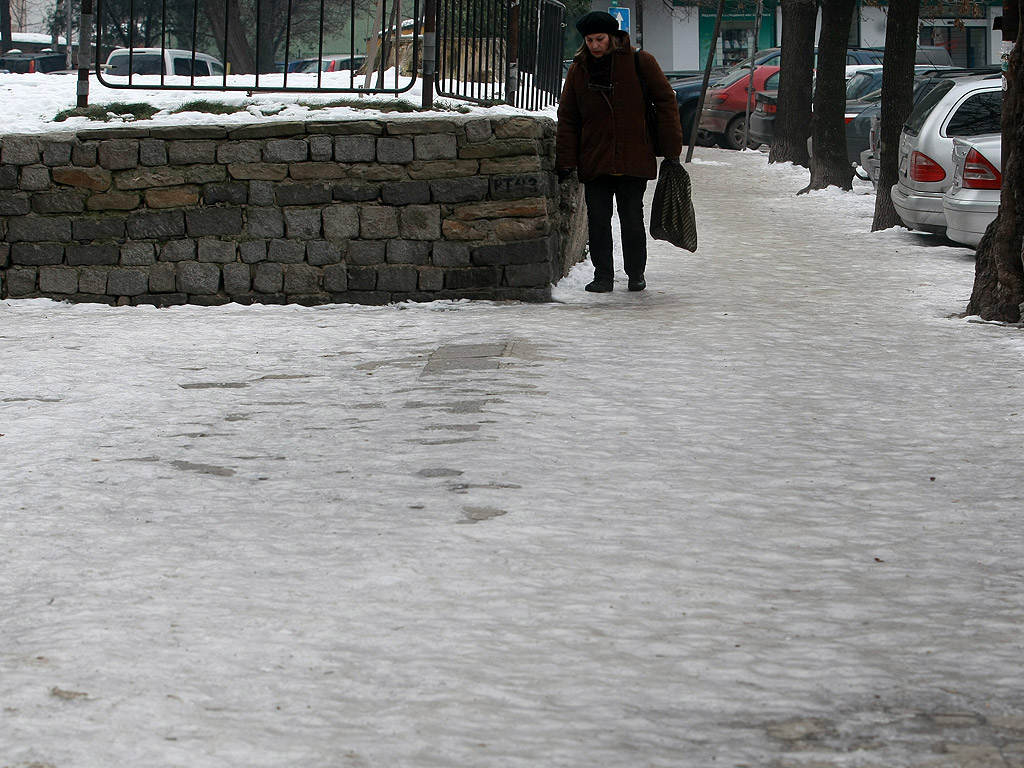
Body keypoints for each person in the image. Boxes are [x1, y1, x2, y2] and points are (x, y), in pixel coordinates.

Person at [556, 11, 683, 293]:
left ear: (612, 37)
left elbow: (665, 103)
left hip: (632, 155)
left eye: (599, 39)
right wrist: (565, 161)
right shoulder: (579, 69)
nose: (595, 46)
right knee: (598, 221)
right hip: (595, 156)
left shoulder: (640, 61)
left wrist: (671, 150)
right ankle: (603, 276)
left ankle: (636, 273)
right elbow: (568, 118)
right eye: (589, 40)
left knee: (631, 219)